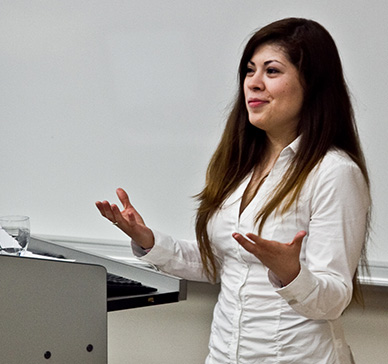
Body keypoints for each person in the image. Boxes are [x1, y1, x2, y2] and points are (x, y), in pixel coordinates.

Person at [96, 17, 370, 364]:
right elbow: (225, 263)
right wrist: (148, 240)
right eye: (249, 70)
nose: (253, 83)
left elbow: (333, 300)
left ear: (312, 85)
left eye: (271, 71)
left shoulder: (334, 173)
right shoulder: (241, 164)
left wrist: (290, 272)